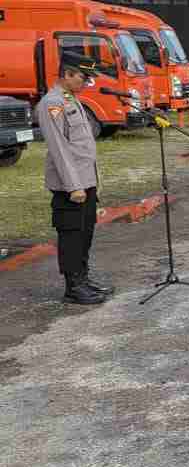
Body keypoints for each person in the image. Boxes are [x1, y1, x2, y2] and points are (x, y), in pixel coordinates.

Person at [33, 53, 112, 305]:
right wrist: (74, 186)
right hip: (71, 185)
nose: (86, 82)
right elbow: (59, 148)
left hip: (85, 181)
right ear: (67, 74)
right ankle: (73, 287)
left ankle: (83, 279)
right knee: (71, 235)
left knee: (85, 233)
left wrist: (91, 182)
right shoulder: (52, 103)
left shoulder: (70, 100)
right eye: (83, 77)